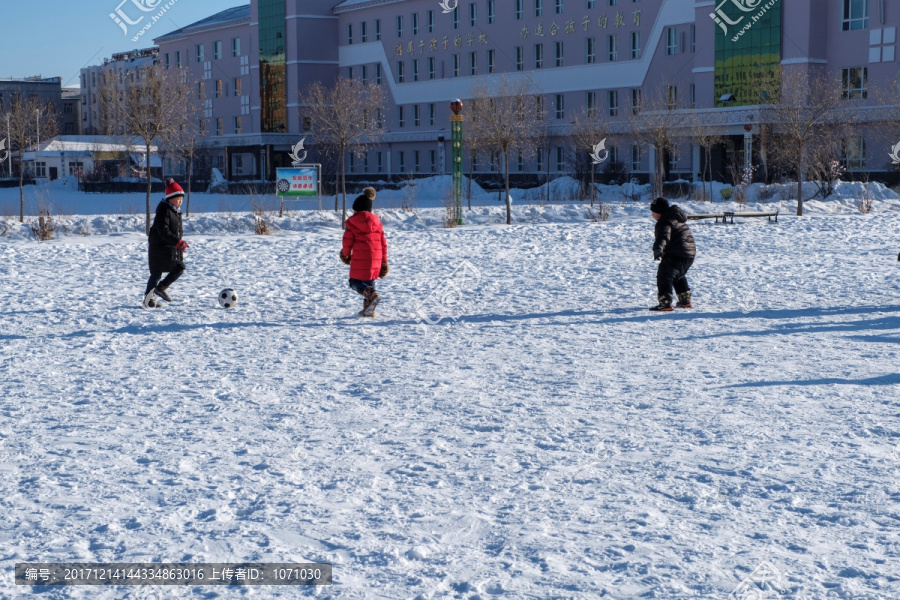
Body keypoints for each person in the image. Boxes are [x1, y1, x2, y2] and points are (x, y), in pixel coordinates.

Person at [340, 187, 388, 317]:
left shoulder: (352, 222)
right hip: (376, 258)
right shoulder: (377, 223)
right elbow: (383, 244)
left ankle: (371, 295)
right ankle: (369, 309)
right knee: (369, 282)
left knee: (354, 282)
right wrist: (384, 262)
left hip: (360, 257)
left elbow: (347, 241)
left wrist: (345, 254)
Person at [142, 179, 189, 308]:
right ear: (170, 198)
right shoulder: (164, 211)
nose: (180, 202)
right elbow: (163, 231)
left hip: (168, 247)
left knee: (175, 268)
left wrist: (178, 243)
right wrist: (177, 242)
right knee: (162, 271)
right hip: (160, 247)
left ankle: (157, 292)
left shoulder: (174, 211)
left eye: (181, 199)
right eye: (178, 199)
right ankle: (153, 295)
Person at [649, 197, 696, 312]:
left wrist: (658, 249)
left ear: (659, 212)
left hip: (677, 253)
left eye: (653, 212)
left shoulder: (664, 221)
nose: (652, 215)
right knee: (676, 274)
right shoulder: (676, 218)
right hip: (689, 254)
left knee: (664, 275)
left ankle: (665, 302)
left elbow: (663, 236)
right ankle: (684, 299)